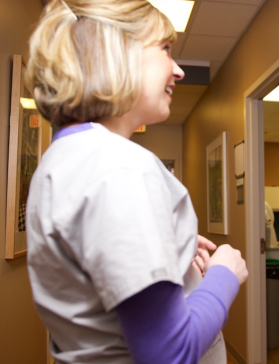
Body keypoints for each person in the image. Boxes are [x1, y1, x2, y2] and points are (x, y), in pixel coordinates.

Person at [25, 1, 248, 363]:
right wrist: (224, 274)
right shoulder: (120, 169)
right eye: (164, 49)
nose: (177, 70)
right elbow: (168, 354)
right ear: (118, 55)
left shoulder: (60, 162)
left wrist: (164, 249)